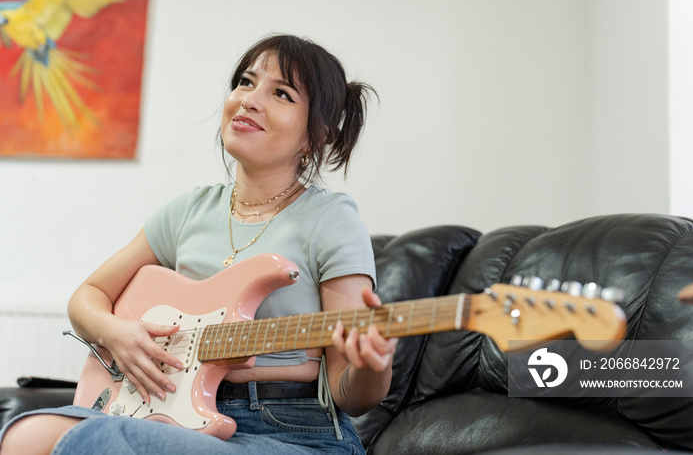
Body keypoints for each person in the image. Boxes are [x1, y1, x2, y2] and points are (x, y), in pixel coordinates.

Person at [0, 34, 397, 455]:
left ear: (315, 135)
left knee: (100, 439)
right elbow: (88, 297)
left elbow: (351, 393)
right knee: (24, 434)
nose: (249, 99)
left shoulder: (331, 219)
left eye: (281, 93)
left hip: (292, 431)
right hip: (172, 415)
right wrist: (117, 333)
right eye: (246, 82)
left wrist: (374, 366)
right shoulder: (189, 211)